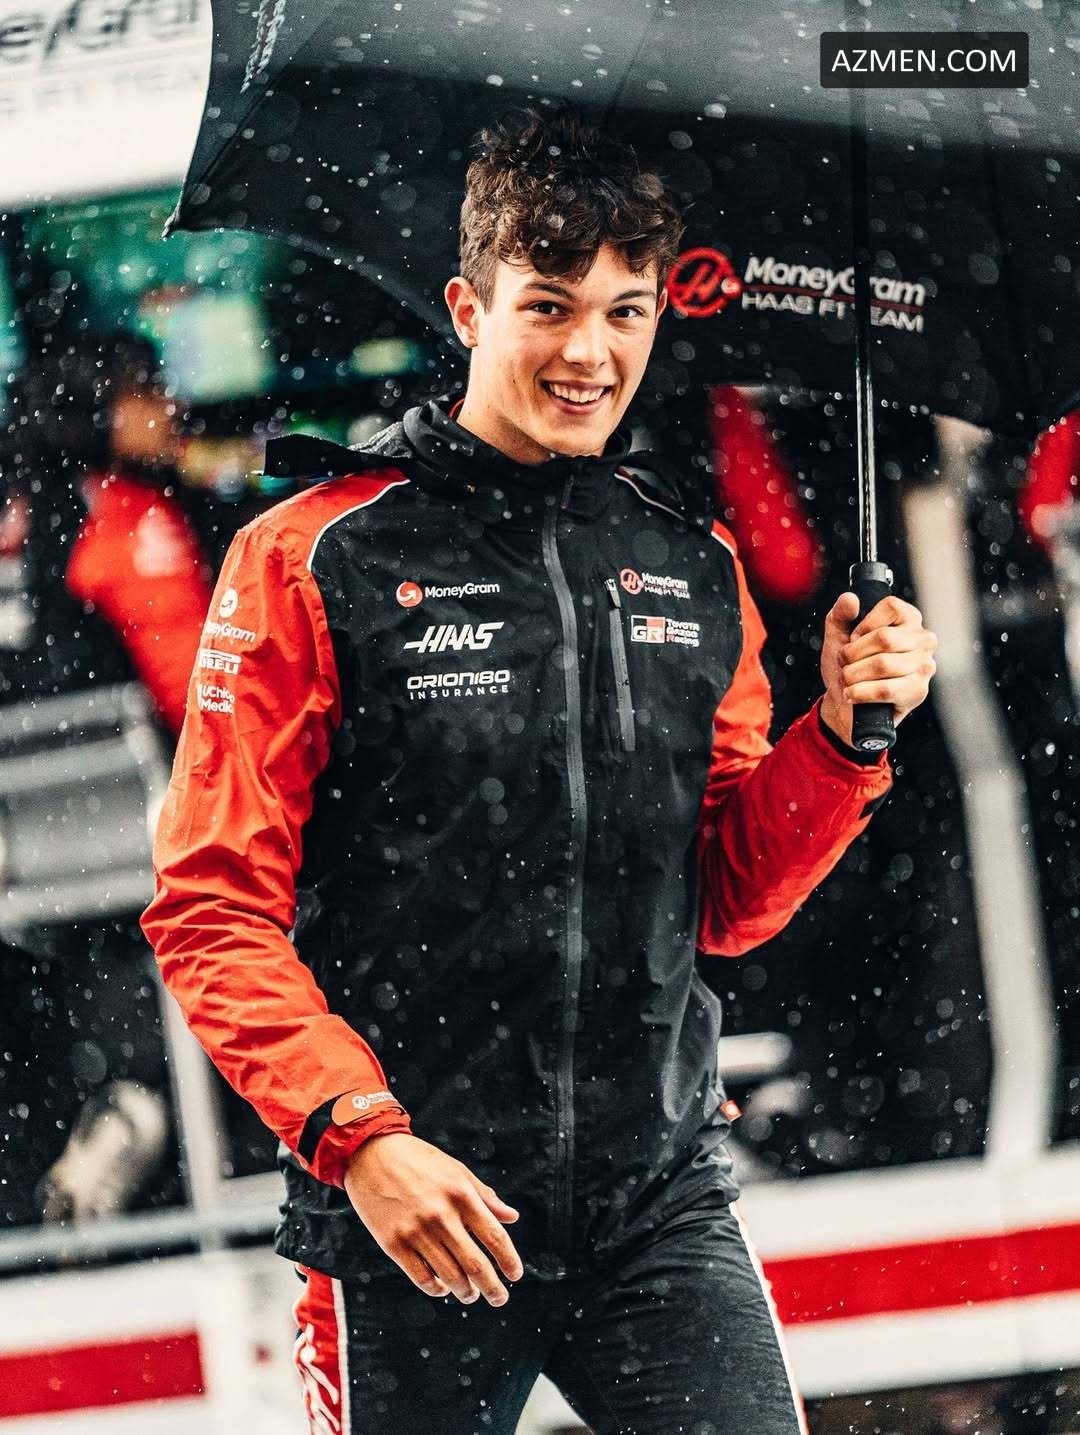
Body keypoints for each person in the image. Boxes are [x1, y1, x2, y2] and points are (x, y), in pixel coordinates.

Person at [142, 108, 938, 1435]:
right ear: (469, 308)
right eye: (550, 307)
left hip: (655, 1207)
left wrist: (843, 740)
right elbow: (212, 909)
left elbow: (724, 903)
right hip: (410, 1213)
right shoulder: (310, 554)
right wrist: (363, 1140)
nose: (589, 352)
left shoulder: (692, 562)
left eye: (626, 312)